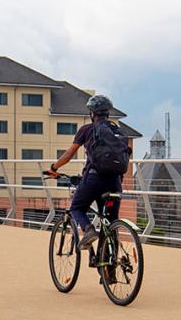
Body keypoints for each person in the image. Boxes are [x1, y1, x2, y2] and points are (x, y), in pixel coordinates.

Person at [44, 94, 132, 248]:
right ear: (107, 113)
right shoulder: (117, 131)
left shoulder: (86, 130)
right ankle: (109, 269)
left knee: (76, 208)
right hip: (115, 181)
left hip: (94, 180)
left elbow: (69, 154)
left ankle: (88, 230)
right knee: (111, 224)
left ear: (92, 113)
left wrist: (54, 168)